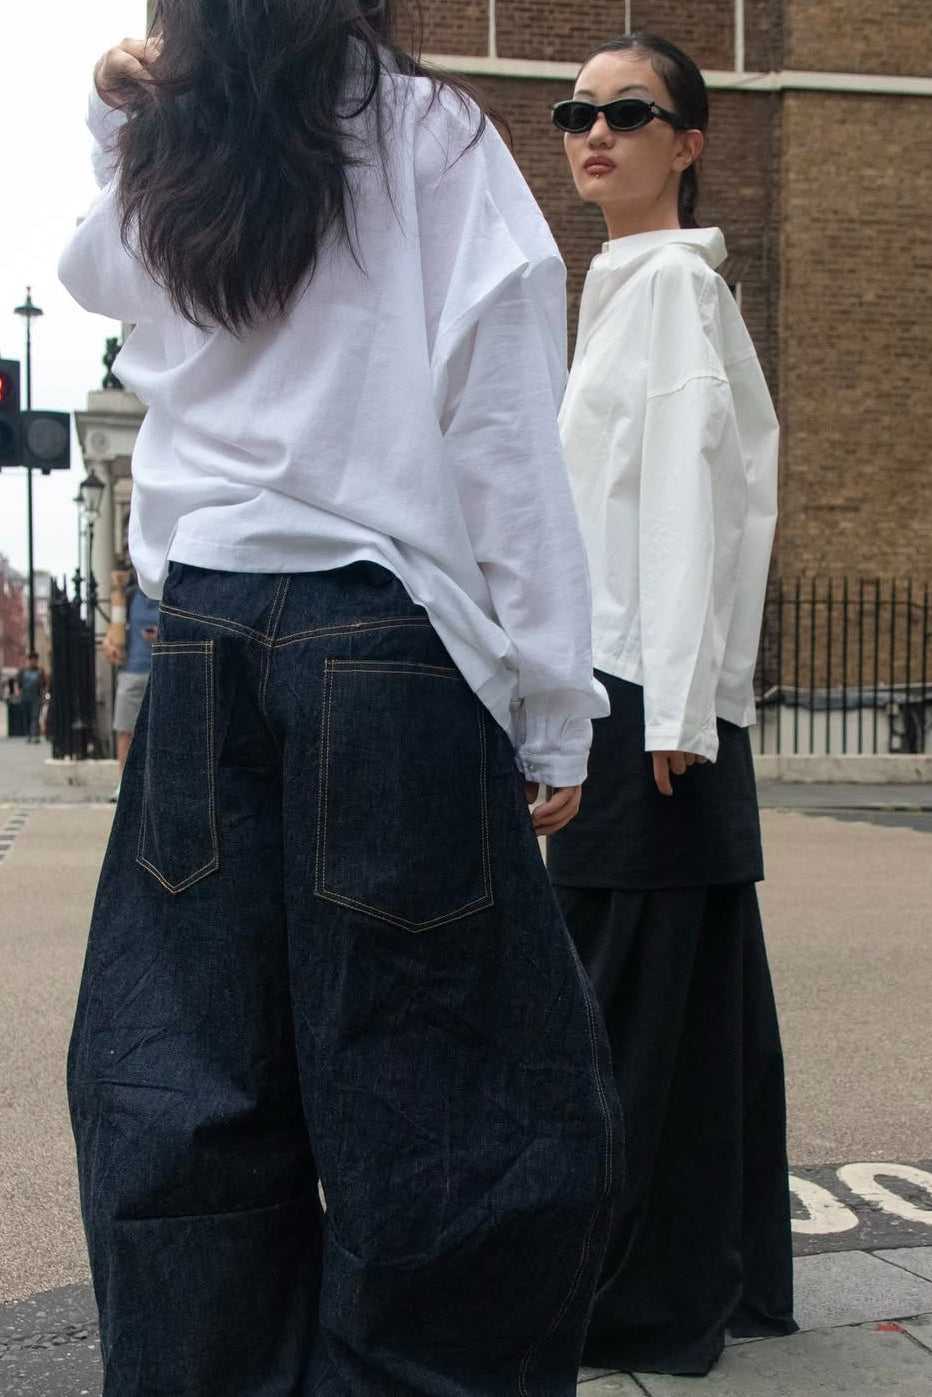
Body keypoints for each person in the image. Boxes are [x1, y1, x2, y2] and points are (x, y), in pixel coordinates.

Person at [58, 6, 622, 1394]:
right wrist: (553, 699)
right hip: (385, 640)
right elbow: (500, 427)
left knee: (188, 1097)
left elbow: (100, 277)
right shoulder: (429, 135)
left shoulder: (166, 146)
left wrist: (125, 107)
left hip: (199, 643)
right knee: (446, 1104)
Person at [547, 33, 797, 1378]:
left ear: (688, 144)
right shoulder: (631, 281)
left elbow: (697, 502)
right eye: (576, 113)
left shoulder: (666, 293)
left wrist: (672, 718)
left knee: (620, 1014)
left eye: (628, 114)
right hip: (653, 691)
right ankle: (727, 1280)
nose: (595, 134)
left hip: (646, 699)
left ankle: (638, 1304)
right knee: (697, 1019)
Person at [103, 578, 160, 799]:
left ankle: (154, 784)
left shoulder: (171, 590)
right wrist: (110, 645)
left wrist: (162, 635)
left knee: (159, 730)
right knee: (126, 728)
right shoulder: (129, 596)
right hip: (132, 669)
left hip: (161, 666)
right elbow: (113, 633)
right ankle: (125, 785)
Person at [16, 651, 45, 743]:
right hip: (25, 697)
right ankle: (28, 734)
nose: (34, 662)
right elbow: (17, 683)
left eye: (35, 660)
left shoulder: (40, 671)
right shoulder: (23, 671)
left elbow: (43, 685)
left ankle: (35, 735)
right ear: (29, 660)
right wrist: (17, 693)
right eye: (32, 660)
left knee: (35, 717)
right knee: (27, 717)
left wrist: (44, 696)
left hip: (36, 697)